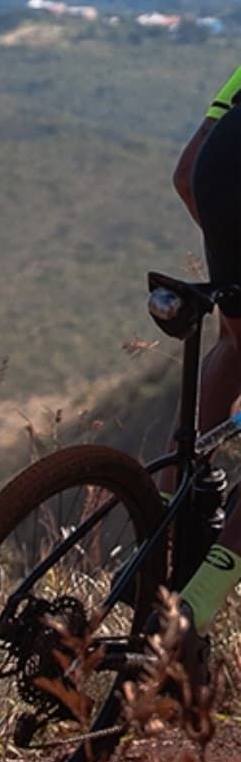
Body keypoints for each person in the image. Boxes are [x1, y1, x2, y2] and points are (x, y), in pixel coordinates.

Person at [167, 64, 241, 638]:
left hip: (223, 173)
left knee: (234, 343)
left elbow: (188, 173)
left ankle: (166, 539)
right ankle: (193, 610)